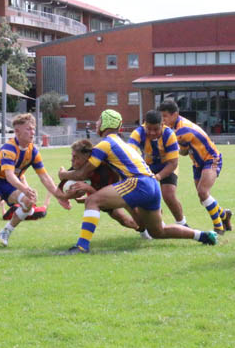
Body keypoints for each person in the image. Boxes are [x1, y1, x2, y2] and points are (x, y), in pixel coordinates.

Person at [59, 109, 217, 254]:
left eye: (99, 120)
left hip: (138, 183)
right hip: (152, 185)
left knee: (92, 201)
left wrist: (63, 175)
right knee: (158, 232)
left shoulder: (105, 143)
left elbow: (83, 173)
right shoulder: (121, 142)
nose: (97, 123)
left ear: (106, 122)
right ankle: (203, 235)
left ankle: (81, 246)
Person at [0, 113, 70, 249]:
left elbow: (44, 177)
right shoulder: (9, 148)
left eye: (33, 129)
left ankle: (6, 231)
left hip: (11, 184)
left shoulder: (33, 151)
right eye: (28, 129)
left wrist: (59, 196)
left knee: (29, 201)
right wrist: (25, 189)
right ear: (17, 131)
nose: (32, 132)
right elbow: (9, 175)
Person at [158, 98, 232, 235]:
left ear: (175, 114)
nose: (163, 120)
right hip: (198, 163)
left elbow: (178, 150)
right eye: (161, 117)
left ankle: (219, 228)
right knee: (202, 197)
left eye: (165, 116)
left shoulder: (182, 130)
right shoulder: (176, 127)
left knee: (203, 192)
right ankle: (224, 215)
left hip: (211, 158)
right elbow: (184, 151)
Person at [59, 138, 142, 232]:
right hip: (100, 192)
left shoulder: (104, 171)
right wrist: (64, 196)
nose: (72, 160)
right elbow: (63, 182)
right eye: (72, 156)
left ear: (87, 158)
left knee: (136, 213)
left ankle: (148, 227)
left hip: (120, 188)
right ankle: (142, 230)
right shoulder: (78, 167)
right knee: (122, 220)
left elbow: (104, 198)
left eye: (76, 157)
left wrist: (88, 189)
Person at [128, 109, 188, 231]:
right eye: (149, 129)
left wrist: (158, 177)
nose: (152, 133)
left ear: (162, 124)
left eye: (156, 129)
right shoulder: (137, 133)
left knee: (168, 195)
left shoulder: (169, 134)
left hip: (167, 166)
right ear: (145, 124)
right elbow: (128, 155)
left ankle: (182, 223)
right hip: (147, 168)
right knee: (145, 196)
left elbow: (173, 163)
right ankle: (154, 224)